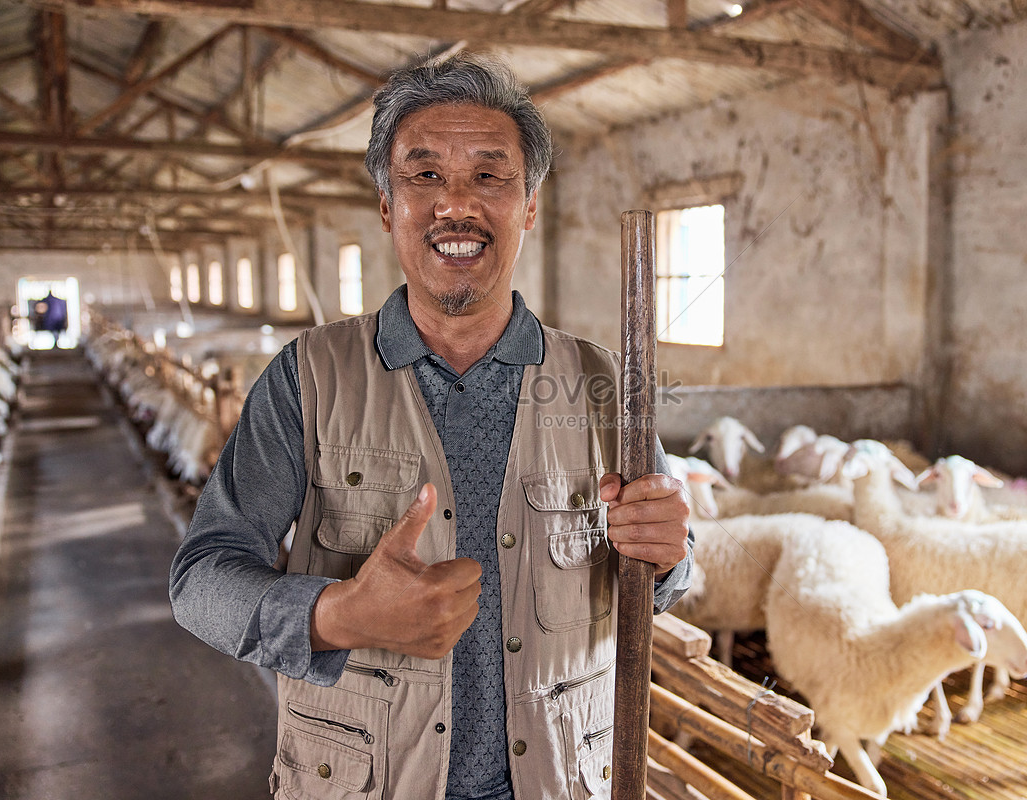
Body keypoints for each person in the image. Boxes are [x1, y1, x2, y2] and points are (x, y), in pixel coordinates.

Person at [170, 53, 693, 800]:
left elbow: (671, 573)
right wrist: (338, 613)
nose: (456, 205)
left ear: (529, 205)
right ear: (387, 207)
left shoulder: (608, 387)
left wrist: (669, 551)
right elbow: (200, 581)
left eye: (489, 175)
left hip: (560, 782)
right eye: (423, 175)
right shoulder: (307, 377)